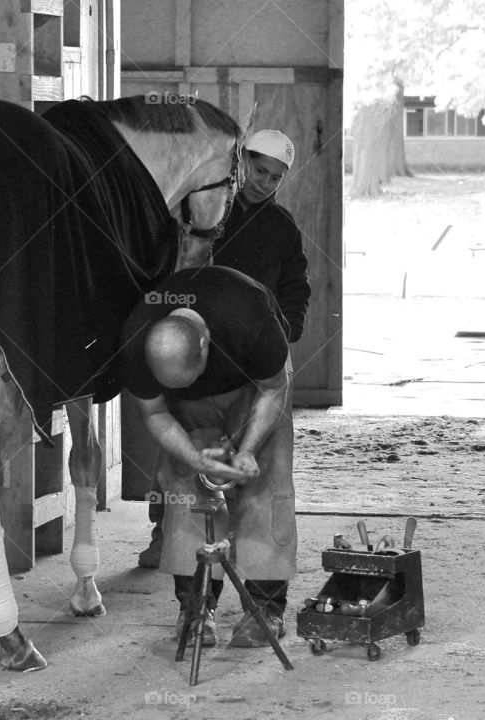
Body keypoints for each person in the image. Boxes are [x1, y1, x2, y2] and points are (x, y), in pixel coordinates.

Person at [136, 128, 310, 569]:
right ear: (240, 163)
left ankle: (263, 578)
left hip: (258, 347)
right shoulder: (206, 209)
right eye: (258, 169)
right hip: (196, 346)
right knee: (182, 452)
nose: (264, 182)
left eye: (275, 177)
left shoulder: (281, 228)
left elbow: (296, 286)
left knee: (266, 455)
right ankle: (164, 530)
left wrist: (285, 328)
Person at [119, 265, 297, 647]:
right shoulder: (136, 343)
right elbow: (154, 412)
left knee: (264, 486)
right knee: (186, 492)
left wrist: (247, 451)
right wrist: (196, 458)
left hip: (255, 387)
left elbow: (273, 388)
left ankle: (265, 609)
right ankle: (196, 606)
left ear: (204, 347)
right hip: (182, 407)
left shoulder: (250, 316)